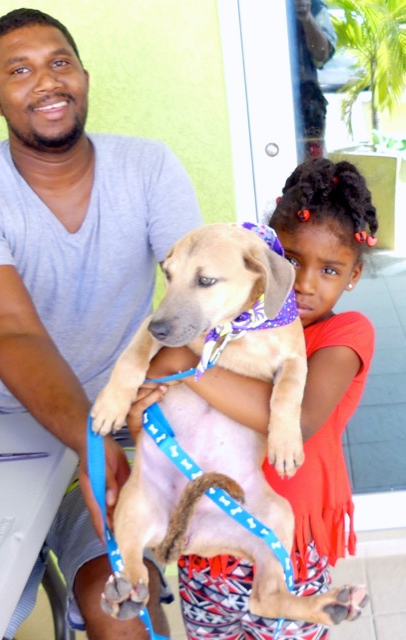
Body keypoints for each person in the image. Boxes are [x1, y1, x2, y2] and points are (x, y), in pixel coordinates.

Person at [0, 8, 203, 640]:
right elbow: (11, 330)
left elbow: (189, 314)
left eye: (59, 63)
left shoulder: (148, 168)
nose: (46, 82)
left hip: (123, 427)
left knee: (120, 601)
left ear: (84, 75)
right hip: (5, 435)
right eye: (19, 71)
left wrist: (131, 424)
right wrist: (87, 441)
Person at [128, 157, 378, 639]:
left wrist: (187, 364)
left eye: (329, 269)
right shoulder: (223, 320)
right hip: (208, 541)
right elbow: (155, 382)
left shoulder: (345, 334)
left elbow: (297, 419)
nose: (303, 283)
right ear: (262, 261)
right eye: (291, 260)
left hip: (286, 546)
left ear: (353, 276)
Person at [294, 0, 337, 159]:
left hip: (306, 100)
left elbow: (322, 53)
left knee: (312, 167)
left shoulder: (313, 4)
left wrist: (306, 16)